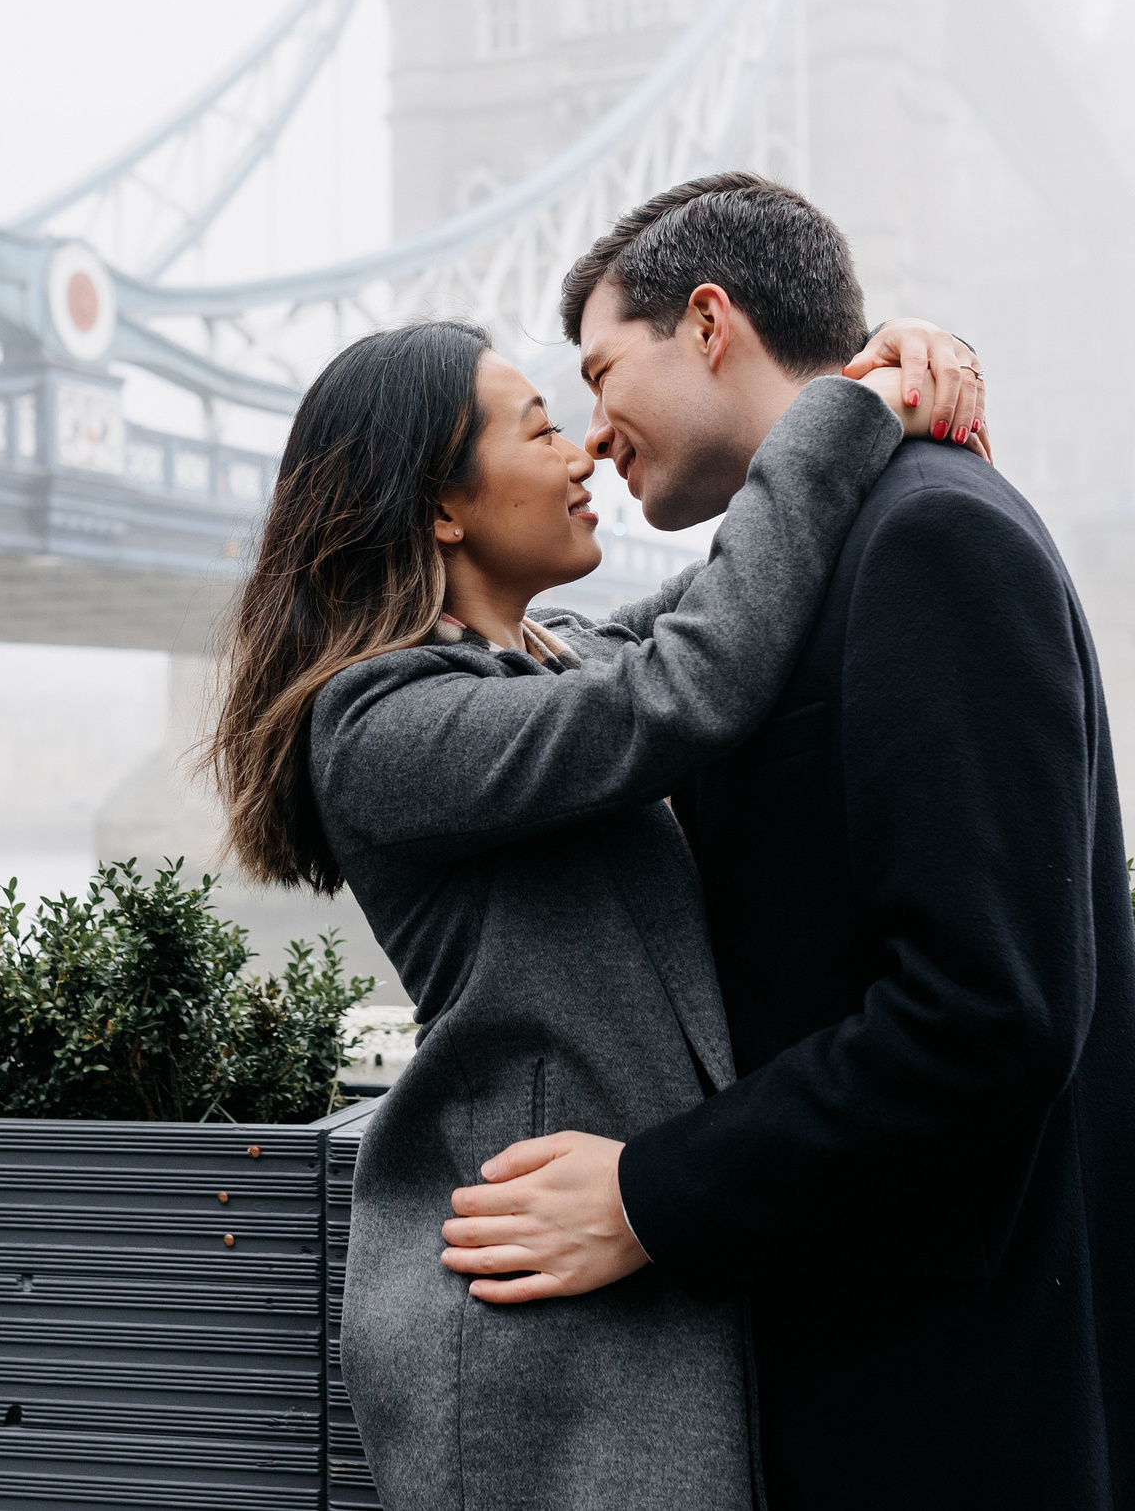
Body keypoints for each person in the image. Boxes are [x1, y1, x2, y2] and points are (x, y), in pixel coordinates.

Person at [435, 173, 1135, 1509]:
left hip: (970, 1403)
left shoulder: (934, 534)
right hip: (875, 1374)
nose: (595, 435)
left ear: (708, 323)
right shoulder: (810, 563)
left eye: (603, 372)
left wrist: (652, 1194)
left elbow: (984, 1013)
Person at [206, 310, 979, 1510]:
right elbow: (690, 686)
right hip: (531, 1326)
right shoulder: (375, 727)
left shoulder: (551, 657)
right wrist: (848, 409)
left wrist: (879, 368)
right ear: (441, 506)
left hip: (626, 1269)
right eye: (540, 430)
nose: (585, 455)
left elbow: (725, 597)